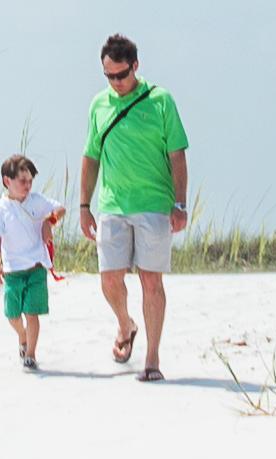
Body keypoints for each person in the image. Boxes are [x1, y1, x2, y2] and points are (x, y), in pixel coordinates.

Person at [75, 30, 192, 383]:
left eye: (122, 75)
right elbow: (90, 157)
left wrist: (180, 203)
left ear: (135, 66)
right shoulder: (99, 104)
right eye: (109, 76)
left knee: (150, 281)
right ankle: (126, 325)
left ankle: (152, 358)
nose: (116, 82)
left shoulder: (160, 101)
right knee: (109, 279)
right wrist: (84, 204)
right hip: (112, 204)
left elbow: (177, 155)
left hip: (154, 204)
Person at [0, 155, 65, 368]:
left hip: (36, 268)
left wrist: (50, 221)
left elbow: (60, 208)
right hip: (13, 271)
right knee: (13, 314)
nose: (27, 185)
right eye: (22, 181)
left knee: (32, 313)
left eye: (30, 181)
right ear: (7, 181)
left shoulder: (37, 201)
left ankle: (30, 354)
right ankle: (22, 336)